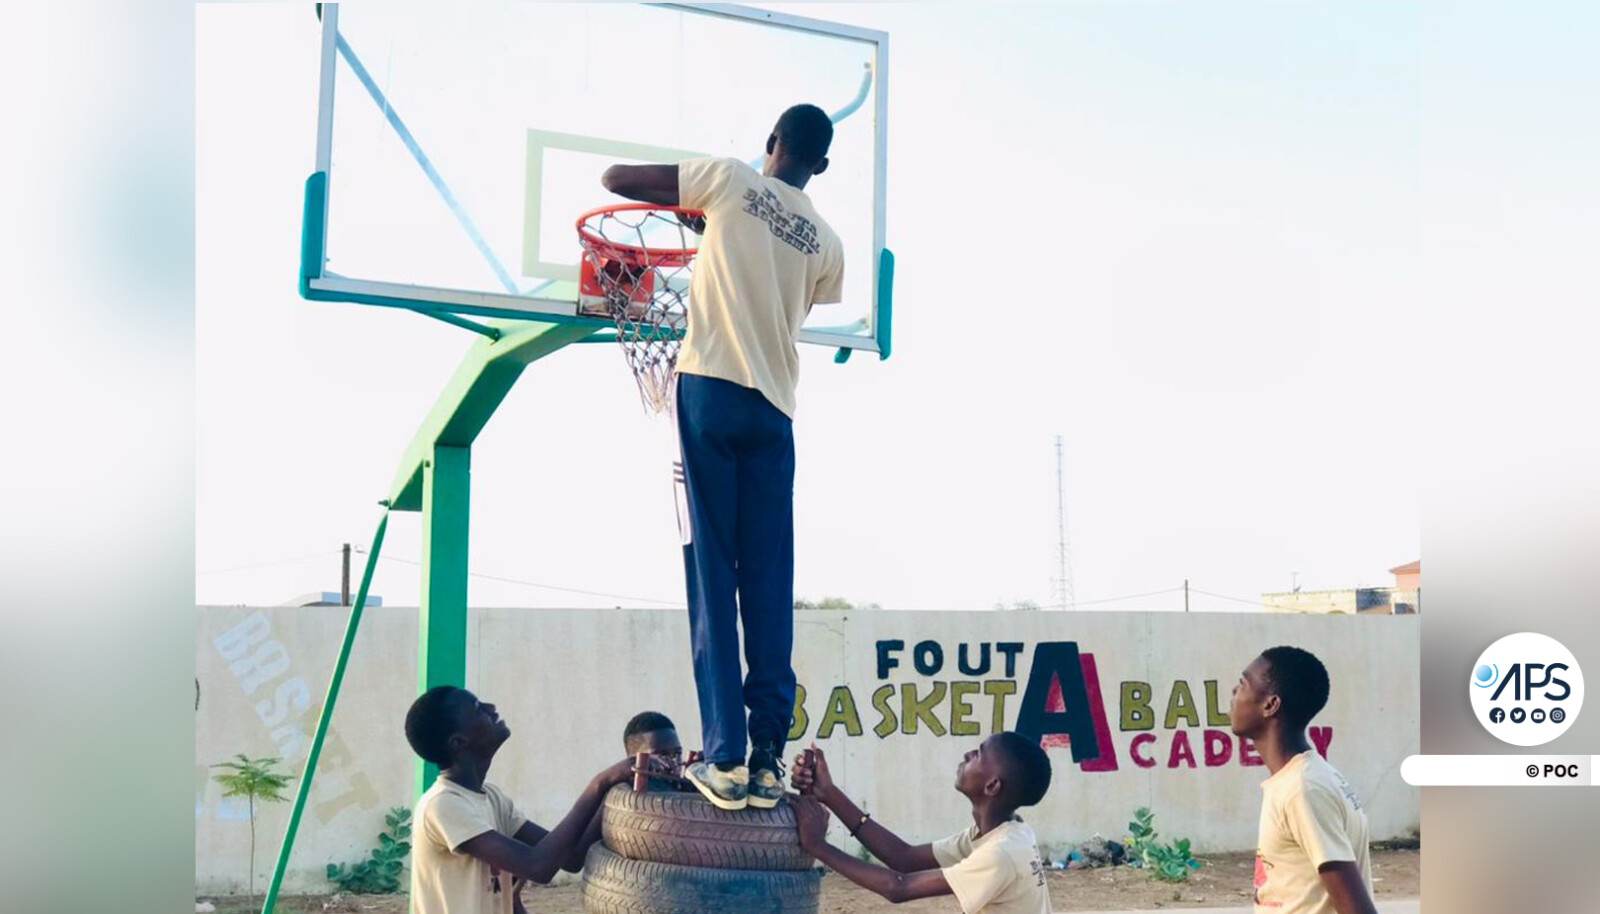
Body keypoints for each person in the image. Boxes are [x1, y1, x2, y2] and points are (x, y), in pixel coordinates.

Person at [600, 103, 845, 811]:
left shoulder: (730, 181)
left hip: (710, 389)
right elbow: (800, 285)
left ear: (771, 141)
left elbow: (617, 177)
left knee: (711, 569)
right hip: (776, 410)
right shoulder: (828, 242)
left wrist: (698, 205)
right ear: (820, 165)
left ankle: (728, 758)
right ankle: (769, 757)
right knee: (769, 583)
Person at [403, 686, 635, 914]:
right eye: (477, 708)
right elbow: (538, 866)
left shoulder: (492, 798)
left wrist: (615, 792)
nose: (490, 708)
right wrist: (600, 784)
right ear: (459, 742)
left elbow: (571, 858)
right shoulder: (443, 804)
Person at [789, 735, 1054, 914]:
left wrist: (817, 846)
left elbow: (899, 887)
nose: (967, 753)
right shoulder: (1002, 833)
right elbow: (904, 857)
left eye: (979, 754)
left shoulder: (1000, 853)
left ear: (992, 785)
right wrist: (828, 793)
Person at [1228, 646, 1378, 914]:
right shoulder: (1301, 779)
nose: (1233, 693)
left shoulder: (1303, 788)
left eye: (1242, 685)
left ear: (1270, 705)